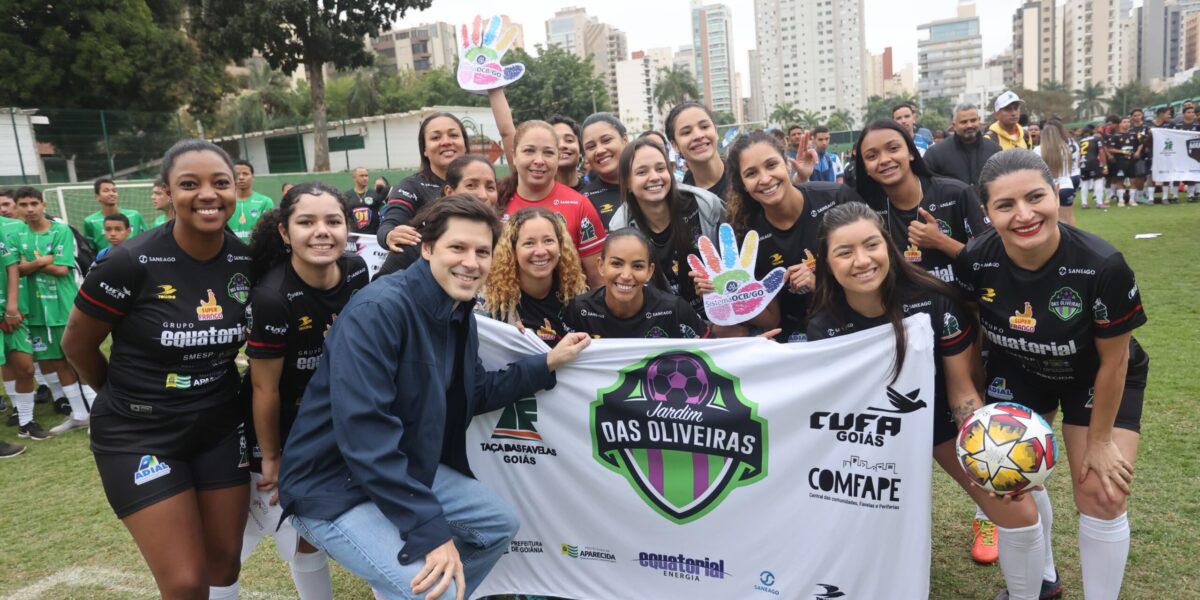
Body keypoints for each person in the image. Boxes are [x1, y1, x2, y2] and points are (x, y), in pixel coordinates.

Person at [278, 195, 591, 599]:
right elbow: (365, 434)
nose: (471, 261)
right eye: (457, 248)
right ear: (426, 249)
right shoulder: (379, 310)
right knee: (433, 588)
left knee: (498, 524)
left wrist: (545, 363)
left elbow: (474, 392)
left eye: (482, 251)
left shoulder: (459, 309)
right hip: (331, 484)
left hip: (402, 465)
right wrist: (429, 531)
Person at [806, 201, 1046, 600]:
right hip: (871, 438)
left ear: (888, 245)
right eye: (844, 252)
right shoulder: (823, 326)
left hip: (938, 422)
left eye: (871, 245)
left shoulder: (934, 300)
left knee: (1018, 512)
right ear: (828, 263)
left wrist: (991, 459)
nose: (862, 261)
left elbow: (962, 390)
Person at [62, 139, 252, 599]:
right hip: (139, 434)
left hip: (219, 428)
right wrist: (124, 396)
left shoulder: (247, 259)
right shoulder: (128, 261)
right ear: (166, 192)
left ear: (235, 190)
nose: (207, 194)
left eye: (219, 183)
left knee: (225, 565)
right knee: (186, 582)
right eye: (190, 184)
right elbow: (77, 343)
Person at [957, 149, 1148, 600]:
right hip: (1019, 369)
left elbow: (1114, 361)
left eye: (1035, 197)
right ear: (987, 213)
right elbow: (972, 332)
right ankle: (1043, 581)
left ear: (1055, 195)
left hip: (1093, 374)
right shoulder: (975, 259)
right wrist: (980, 401)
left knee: (1101, 490)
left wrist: (1099, 442)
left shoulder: (1103, 265)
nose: (1024, 214)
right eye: (1005, 205)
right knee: (1012, 478)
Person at [240, 182, 369, 599]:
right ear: (284, 232)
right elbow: (264, 386)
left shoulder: (357, 271)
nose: (322, 231)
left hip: (331, 423)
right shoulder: (273, 297)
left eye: (333, 221)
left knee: (311, 529)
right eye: (306, 222)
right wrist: (272, 456)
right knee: (267, 528)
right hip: (279, 428)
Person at [719, 130, 863, 342]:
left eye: (771, 165)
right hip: (793, 345)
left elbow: (874, 275)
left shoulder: (837, 198)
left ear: (786, 164)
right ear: (742, 185)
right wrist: (723, 291)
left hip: (853, 328)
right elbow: (771, 319)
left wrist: (819, 284)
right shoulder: (745, 234)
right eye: (751, 174)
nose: (765, 179)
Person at [853, 120, 990, 285]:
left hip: (962, 305)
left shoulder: (956, 194)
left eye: (893, 149)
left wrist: (940, 241)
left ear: (911, 152)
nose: (884, 160)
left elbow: (990, 258)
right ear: (865, 167)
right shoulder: (867, 210)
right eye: (872, 156)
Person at [608, 138, 724, 317]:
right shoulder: (620, 228)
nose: (654, 177)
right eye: (641, 172)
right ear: (628, 183)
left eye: (660, 169)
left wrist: (718, 285)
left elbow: (736, 267)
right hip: (662, 328)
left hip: (718, 319)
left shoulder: (706, 206)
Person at [495, 112, 606, 288]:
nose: (539, 161)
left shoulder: (580, 205)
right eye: (529, 151)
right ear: (514, 156)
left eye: (548, 153)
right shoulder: (496, 203)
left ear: (557, 157)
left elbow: (598, 280)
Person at [14, 188, 90, 436]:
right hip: (35, 311)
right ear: (17, 207)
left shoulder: (61, 230)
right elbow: (16, 270)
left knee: (78, 359)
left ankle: (102, 413)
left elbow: (62, 270)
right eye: (23, 204)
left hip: (63, 306)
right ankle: (79, 414)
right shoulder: (17, 234)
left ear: (43, 203)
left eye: (34, 203)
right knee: (58, 362)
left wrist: (32, 264)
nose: (30, 209)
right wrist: (44, 260)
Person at [564, 229, 709, 339]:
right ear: (601, 266)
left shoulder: (675, 310)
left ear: (650, 271)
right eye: (616, 264)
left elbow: (713, 353)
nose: (626, 275)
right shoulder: (579, 310)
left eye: (638, 266)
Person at [375, 155, 501, 278]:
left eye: (490, 187)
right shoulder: (414, 245)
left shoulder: (504, 244)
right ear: (449, 192)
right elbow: (378, 294)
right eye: (471, 185)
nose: (483, 195)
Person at [484, 207, 588, 347]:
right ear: (512, 251)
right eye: (529, 243)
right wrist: (508, 338)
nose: (540, 251)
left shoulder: (577, 295)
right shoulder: (493, 304)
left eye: (548, 241)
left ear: (561, 246)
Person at [0, 198, 40, 441]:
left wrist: (12, 307)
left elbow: (12, 267)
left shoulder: (8, 228)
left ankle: (26, 421)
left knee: (25, 368)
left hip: (10, 312)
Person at [923, 103, 1002, 186]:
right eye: (964, 122)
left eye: (973, 120)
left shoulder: (994, 150)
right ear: (954, 125)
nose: (969, 125)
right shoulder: (936, 154)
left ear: (979, 120)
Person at [666, 101, 730, 201]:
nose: (698, 136)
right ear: (675, 145)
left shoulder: (742, 177)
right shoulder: (683, 199)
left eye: (704, 127)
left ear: (716, 131)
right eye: (686, 132)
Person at [579, 113, 631, 228]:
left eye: (606, 140)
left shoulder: (652, 183)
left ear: (625, 139)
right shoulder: (583, 202)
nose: (600, 150)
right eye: (591, 147)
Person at [82, 178, 149, 251]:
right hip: (106, 261)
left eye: (114, 191)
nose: (111, 193)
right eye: (106, 191)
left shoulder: (134, 215)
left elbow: (148, 239)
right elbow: (90, 249)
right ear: (97, 197)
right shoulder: (90, 221)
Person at [1038, 120, 1079, 226]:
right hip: (1066, 186)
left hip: (1049, 188)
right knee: (1069, 216)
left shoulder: (1038, 150)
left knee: (1053, 220)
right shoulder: (1066, 149)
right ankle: (1073, 239)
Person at [231, 159, 276, 242]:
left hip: (256, 251)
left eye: (245, 174)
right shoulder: (226, 201)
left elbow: (270, 232)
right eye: (237, 174)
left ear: (253, 177)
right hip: (231, 250)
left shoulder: (265, 202)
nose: (241, 177)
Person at [1105, 116, 1138, 207]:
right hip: (1120, 161)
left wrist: (1137, 152)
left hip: (1131, 160)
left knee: (1133, 180)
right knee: (1120, 180)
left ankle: (1132, 200)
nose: (1127, 123)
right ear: (1120, 124)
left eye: (1128, 122)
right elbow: (1110, 149)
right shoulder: (1115, 136)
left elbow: (1139, 145)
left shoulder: (1133, 134)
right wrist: (1122, 152)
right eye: (1124, 122)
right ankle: (1121, 200)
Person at [549, 115, 585, 191]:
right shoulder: (537, 195)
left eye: (569, 140)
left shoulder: (594, 193)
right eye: (555, 141)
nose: (562, 145)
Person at [1078, 125, 1108, 209]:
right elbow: (1101, 152)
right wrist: (1105, 166)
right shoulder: (1096, 139)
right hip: (1094, 162)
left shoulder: (1080, 141)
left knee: (1084, 183)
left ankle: (1084, 203)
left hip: (1083, 163)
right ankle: (1099, 203)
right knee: (1098, 180)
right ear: (1092, 132)